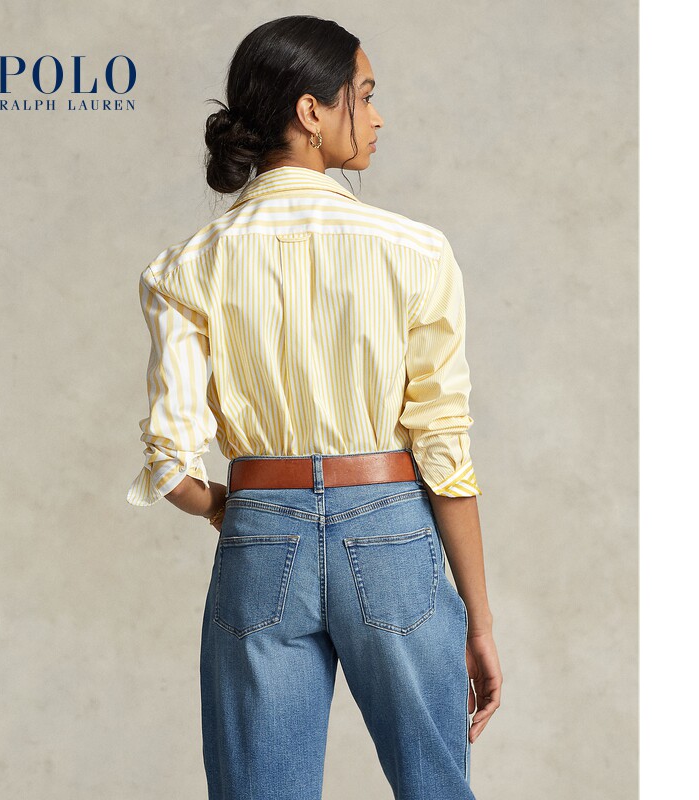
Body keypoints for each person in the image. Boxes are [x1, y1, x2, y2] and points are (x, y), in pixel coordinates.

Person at [126, 15, 502, 800]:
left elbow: (169, 464)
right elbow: (444, 449)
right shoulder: (415, 250)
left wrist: (224, 507)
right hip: (392, 531)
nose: (377, 117)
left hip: (261, 533)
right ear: (311, 111)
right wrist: (479, 619)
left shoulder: (186, 267)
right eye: (364, 95)